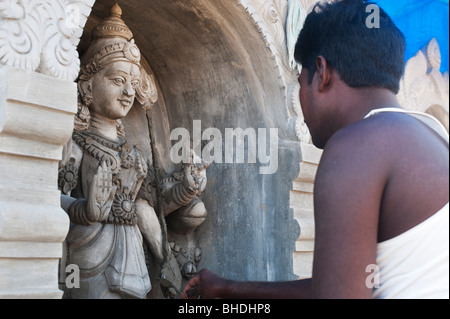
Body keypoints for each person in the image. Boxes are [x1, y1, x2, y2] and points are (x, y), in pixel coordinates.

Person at [182, 0, 449, 299]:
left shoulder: (356, 146)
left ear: (321, 73)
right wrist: (229, 290)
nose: (301, 106)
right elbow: (347, 283)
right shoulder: (432, 136)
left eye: (300, 83)